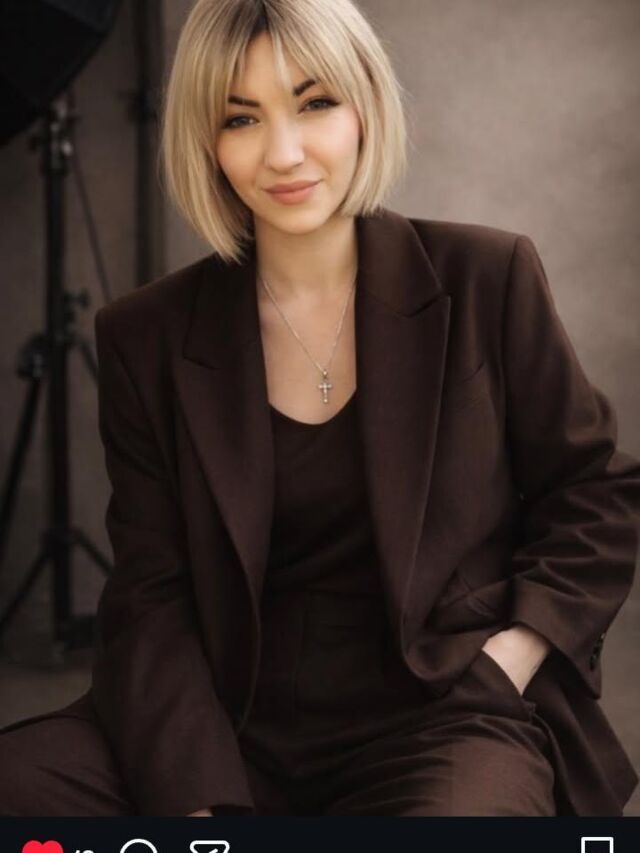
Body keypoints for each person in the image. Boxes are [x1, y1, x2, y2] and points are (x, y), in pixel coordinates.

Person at [0, 0, 639, 817]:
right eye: (241, 117)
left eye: (315, 103)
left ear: (364, 105)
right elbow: (151, 594)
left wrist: (509, 658)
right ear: (205, 140)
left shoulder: (487, 276)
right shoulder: (145, 336)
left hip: (442, 712)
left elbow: (594, 493)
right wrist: (200, 802)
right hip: (229, 715)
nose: (284, 152)